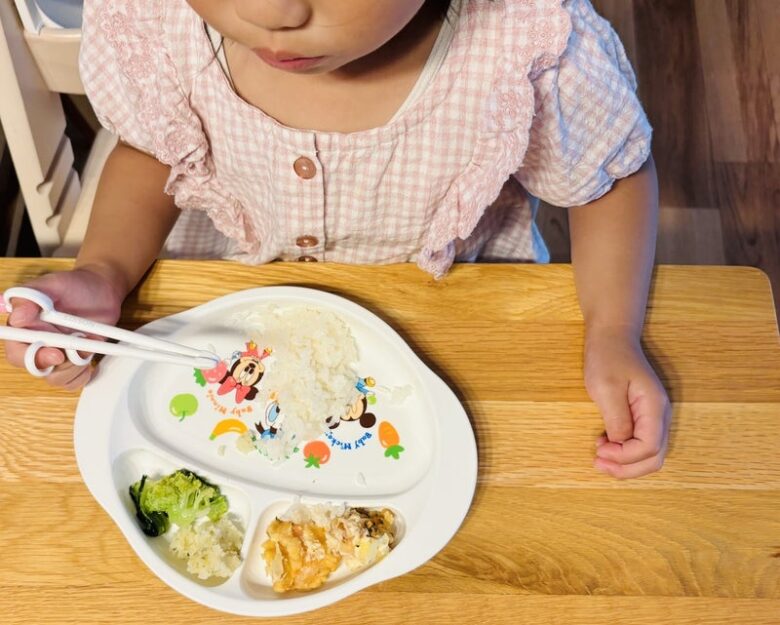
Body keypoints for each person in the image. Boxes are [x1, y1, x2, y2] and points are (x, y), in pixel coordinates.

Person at [2, 0, 670, 478]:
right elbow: (152, 151)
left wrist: (612, 328)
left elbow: (610, 181)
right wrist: (103, 271)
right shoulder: (164, 22)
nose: (273, 12)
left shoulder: (526, 38)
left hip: (456, 318)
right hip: (227, 300)